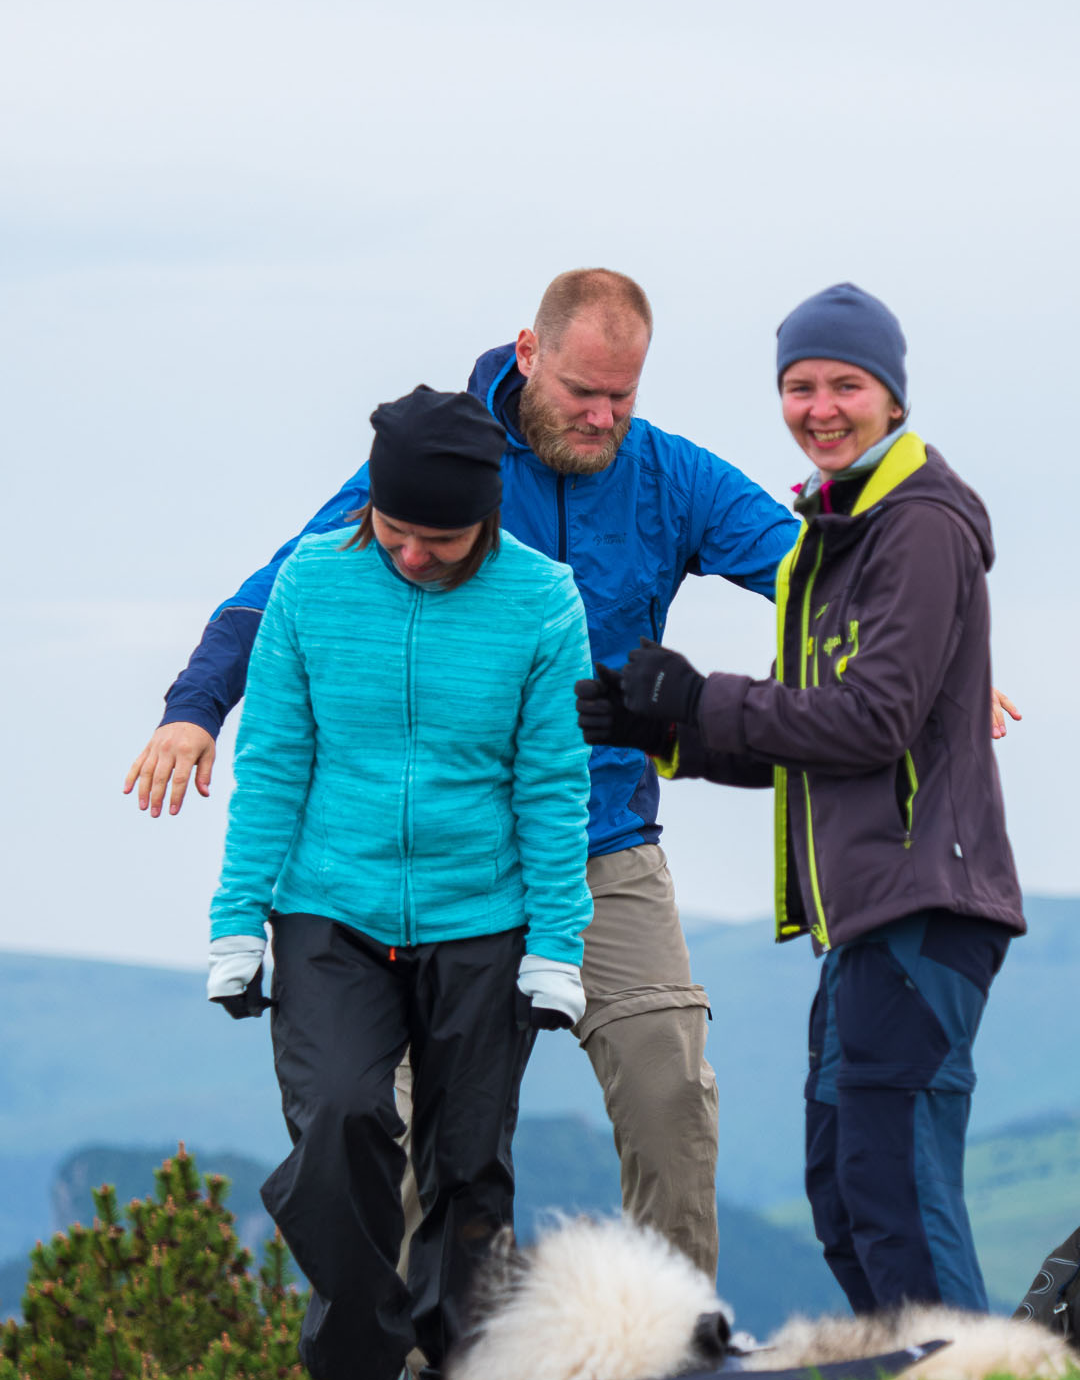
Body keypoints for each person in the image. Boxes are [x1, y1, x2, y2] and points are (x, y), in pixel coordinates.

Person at [127, 269, 801, 1282]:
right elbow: (277, 593)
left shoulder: (670, 476)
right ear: (528, 352)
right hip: (445, 868)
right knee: (406, 1128)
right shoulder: (436, 467)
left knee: (668, 1085)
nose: (603, 416)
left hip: (601, 840)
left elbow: (811, 572)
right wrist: (192, 712)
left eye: (623, 395)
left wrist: (927, 662)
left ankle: (674, 1369)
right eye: (583, 392)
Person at [577, 282, 1025, 1314]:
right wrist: (670, 732)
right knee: (848, 1190)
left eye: (844, 385)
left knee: (897, 1197)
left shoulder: (914, 526)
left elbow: (872, 720)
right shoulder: (845, 528)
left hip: (924, 902)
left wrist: (704, 696)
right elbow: (817, 735)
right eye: (797, 386)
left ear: (891, 398)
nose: (818, 406)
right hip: (868, 911)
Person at [208, 386, 592, 1380]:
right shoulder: (310, 588)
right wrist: (239, 921)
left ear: (486, 520)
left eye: (443, 538)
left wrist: (555, 947)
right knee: (339, 1119)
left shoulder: (541, 601)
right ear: (368, 509)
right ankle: (371, 1376)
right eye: (396, 532)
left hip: (485, 914)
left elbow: (552, 782)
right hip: (331, 906)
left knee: (469, 1169)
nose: (415, 557)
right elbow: (273, 762)